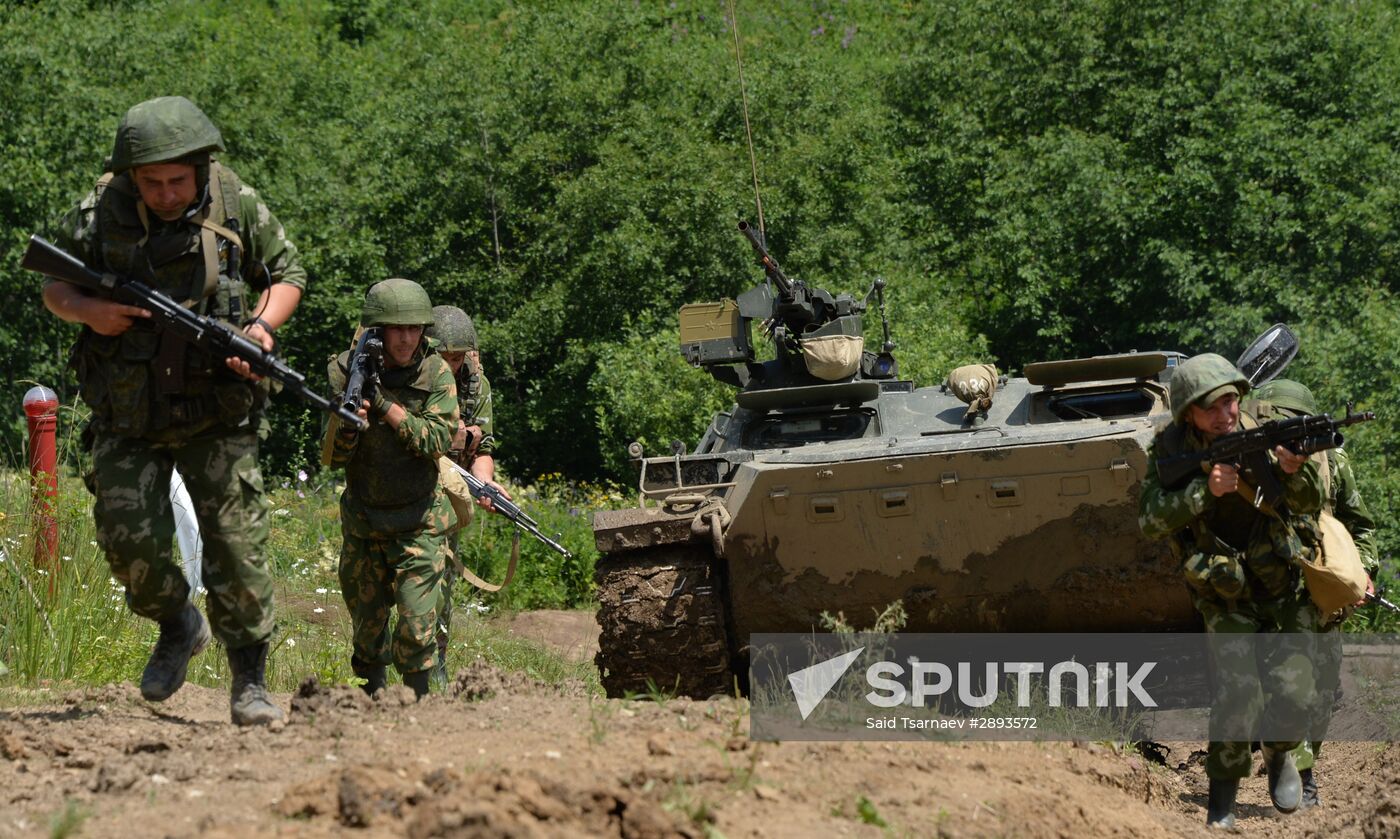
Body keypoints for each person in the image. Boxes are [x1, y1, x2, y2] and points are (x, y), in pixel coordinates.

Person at [41, 96, 304, 726]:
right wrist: (87, 312)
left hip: (217, 405)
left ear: (200, 167)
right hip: (128, 409)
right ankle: (177, 624)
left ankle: (249, 682)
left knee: (237, 546)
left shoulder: (237, 202)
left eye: (176, 181)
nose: (163, 193)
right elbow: (53, 282)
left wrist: (260, 332)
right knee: (127, 536)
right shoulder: (99, 210)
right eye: (150, 181)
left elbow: (287, 273)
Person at [1138, 354, 1323, 828]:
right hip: (1224, 591)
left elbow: (1311, 504)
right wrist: (1205, 490)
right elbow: (1150, 521)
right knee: (1240, 696)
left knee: (1295, 694)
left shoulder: (1267, 431)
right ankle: (1222, 799)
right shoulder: (1169, 449)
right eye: (1213, 406)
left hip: (1282, 584)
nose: (1226, 414)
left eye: (1231, 401)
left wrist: (1292, 470)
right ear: (1188, 413)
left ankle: (1280, 753)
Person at [326, 279, 458, 698]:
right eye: (396, 329)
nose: (406, 338)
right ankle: (372, 706)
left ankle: (421, 708)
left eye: (414, 328)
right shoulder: (345, 369)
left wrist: (383, 405)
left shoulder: (436, 371)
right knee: (367, 631)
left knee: (418, 628)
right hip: (365, 520)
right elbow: (332, 458)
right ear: (378, 330)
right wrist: (348, 425)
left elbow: (437, 440)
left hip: (419, 521)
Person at [1252, 378, 1378, 808]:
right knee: (1292, 685)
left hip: (1321, 592)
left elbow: (1359, 524)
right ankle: (1297, 770)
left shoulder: (1331, 463)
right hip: (1270, 591)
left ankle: (1299, 761)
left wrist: (1364, 572)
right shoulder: (1249, 461)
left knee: (1323, 685)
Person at [425, 305, 511, 687]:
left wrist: (485, 482)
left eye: (456, 358)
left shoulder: (477, 385)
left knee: (441, 584)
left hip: (449, 491)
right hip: (404, 483)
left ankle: (435, 669)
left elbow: (483, 448)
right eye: (441, 357)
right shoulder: (409, 377)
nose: (449, 365)